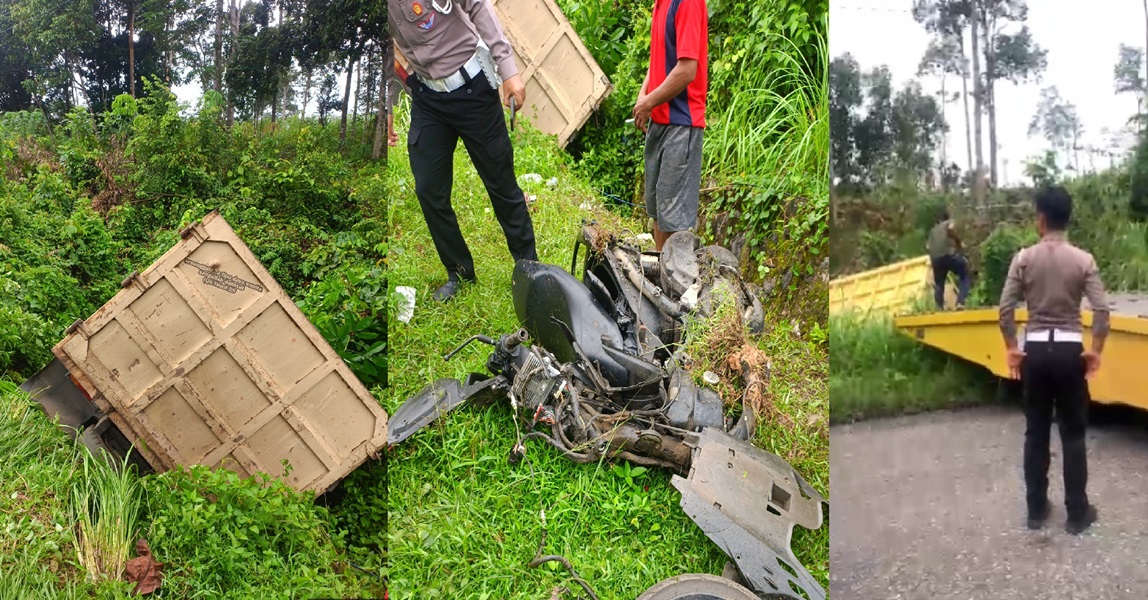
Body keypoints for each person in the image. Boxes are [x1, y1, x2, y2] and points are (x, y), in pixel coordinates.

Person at [387, 0, 538, 302]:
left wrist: (508, 69)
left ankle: (530, 271)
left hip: (473, 90)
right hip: (428, 97)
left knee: (501, 185)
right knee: (429, 189)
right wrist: (385, 104)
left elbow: (478, 6)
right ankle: (459, 272)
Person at [999, 185, 1109, 535]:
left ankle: (1036, 510)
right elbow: (1102, 311)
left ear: (1041, 219)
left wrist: (1011, 346)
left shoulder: (1024, 258)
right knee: (1073, 433)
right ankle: (1077, 513)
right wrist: (1096, 351)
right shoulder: (1083, 260)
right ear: (1068, 218)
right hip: (1068, 351)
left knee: (1036, 432)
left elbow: (1005, 310)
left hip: (1034, 352)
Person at [631, 0, 708, 252]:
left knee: (673, 224)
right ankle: (661, 283)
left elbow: (687, 70)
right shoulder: (661, 3)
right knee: (658, 216)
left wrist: (649, 101)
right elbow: (660, 58)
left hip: (681, 124)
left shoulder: (687, 3)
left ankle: (676, 287)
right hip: (660, 121)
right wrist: (644, 98)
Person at [926, 210, 970, 309]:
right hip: (948, 255)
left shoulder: (933, 230)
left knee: (939, 283)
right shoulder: (948, 223)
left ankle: (939, 307)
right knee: (965, 273)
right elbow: (951, 229)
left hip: (935, 258)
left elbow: (928, 247)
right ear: (947, 218)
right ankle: (960, 302)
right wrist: (958, 242)